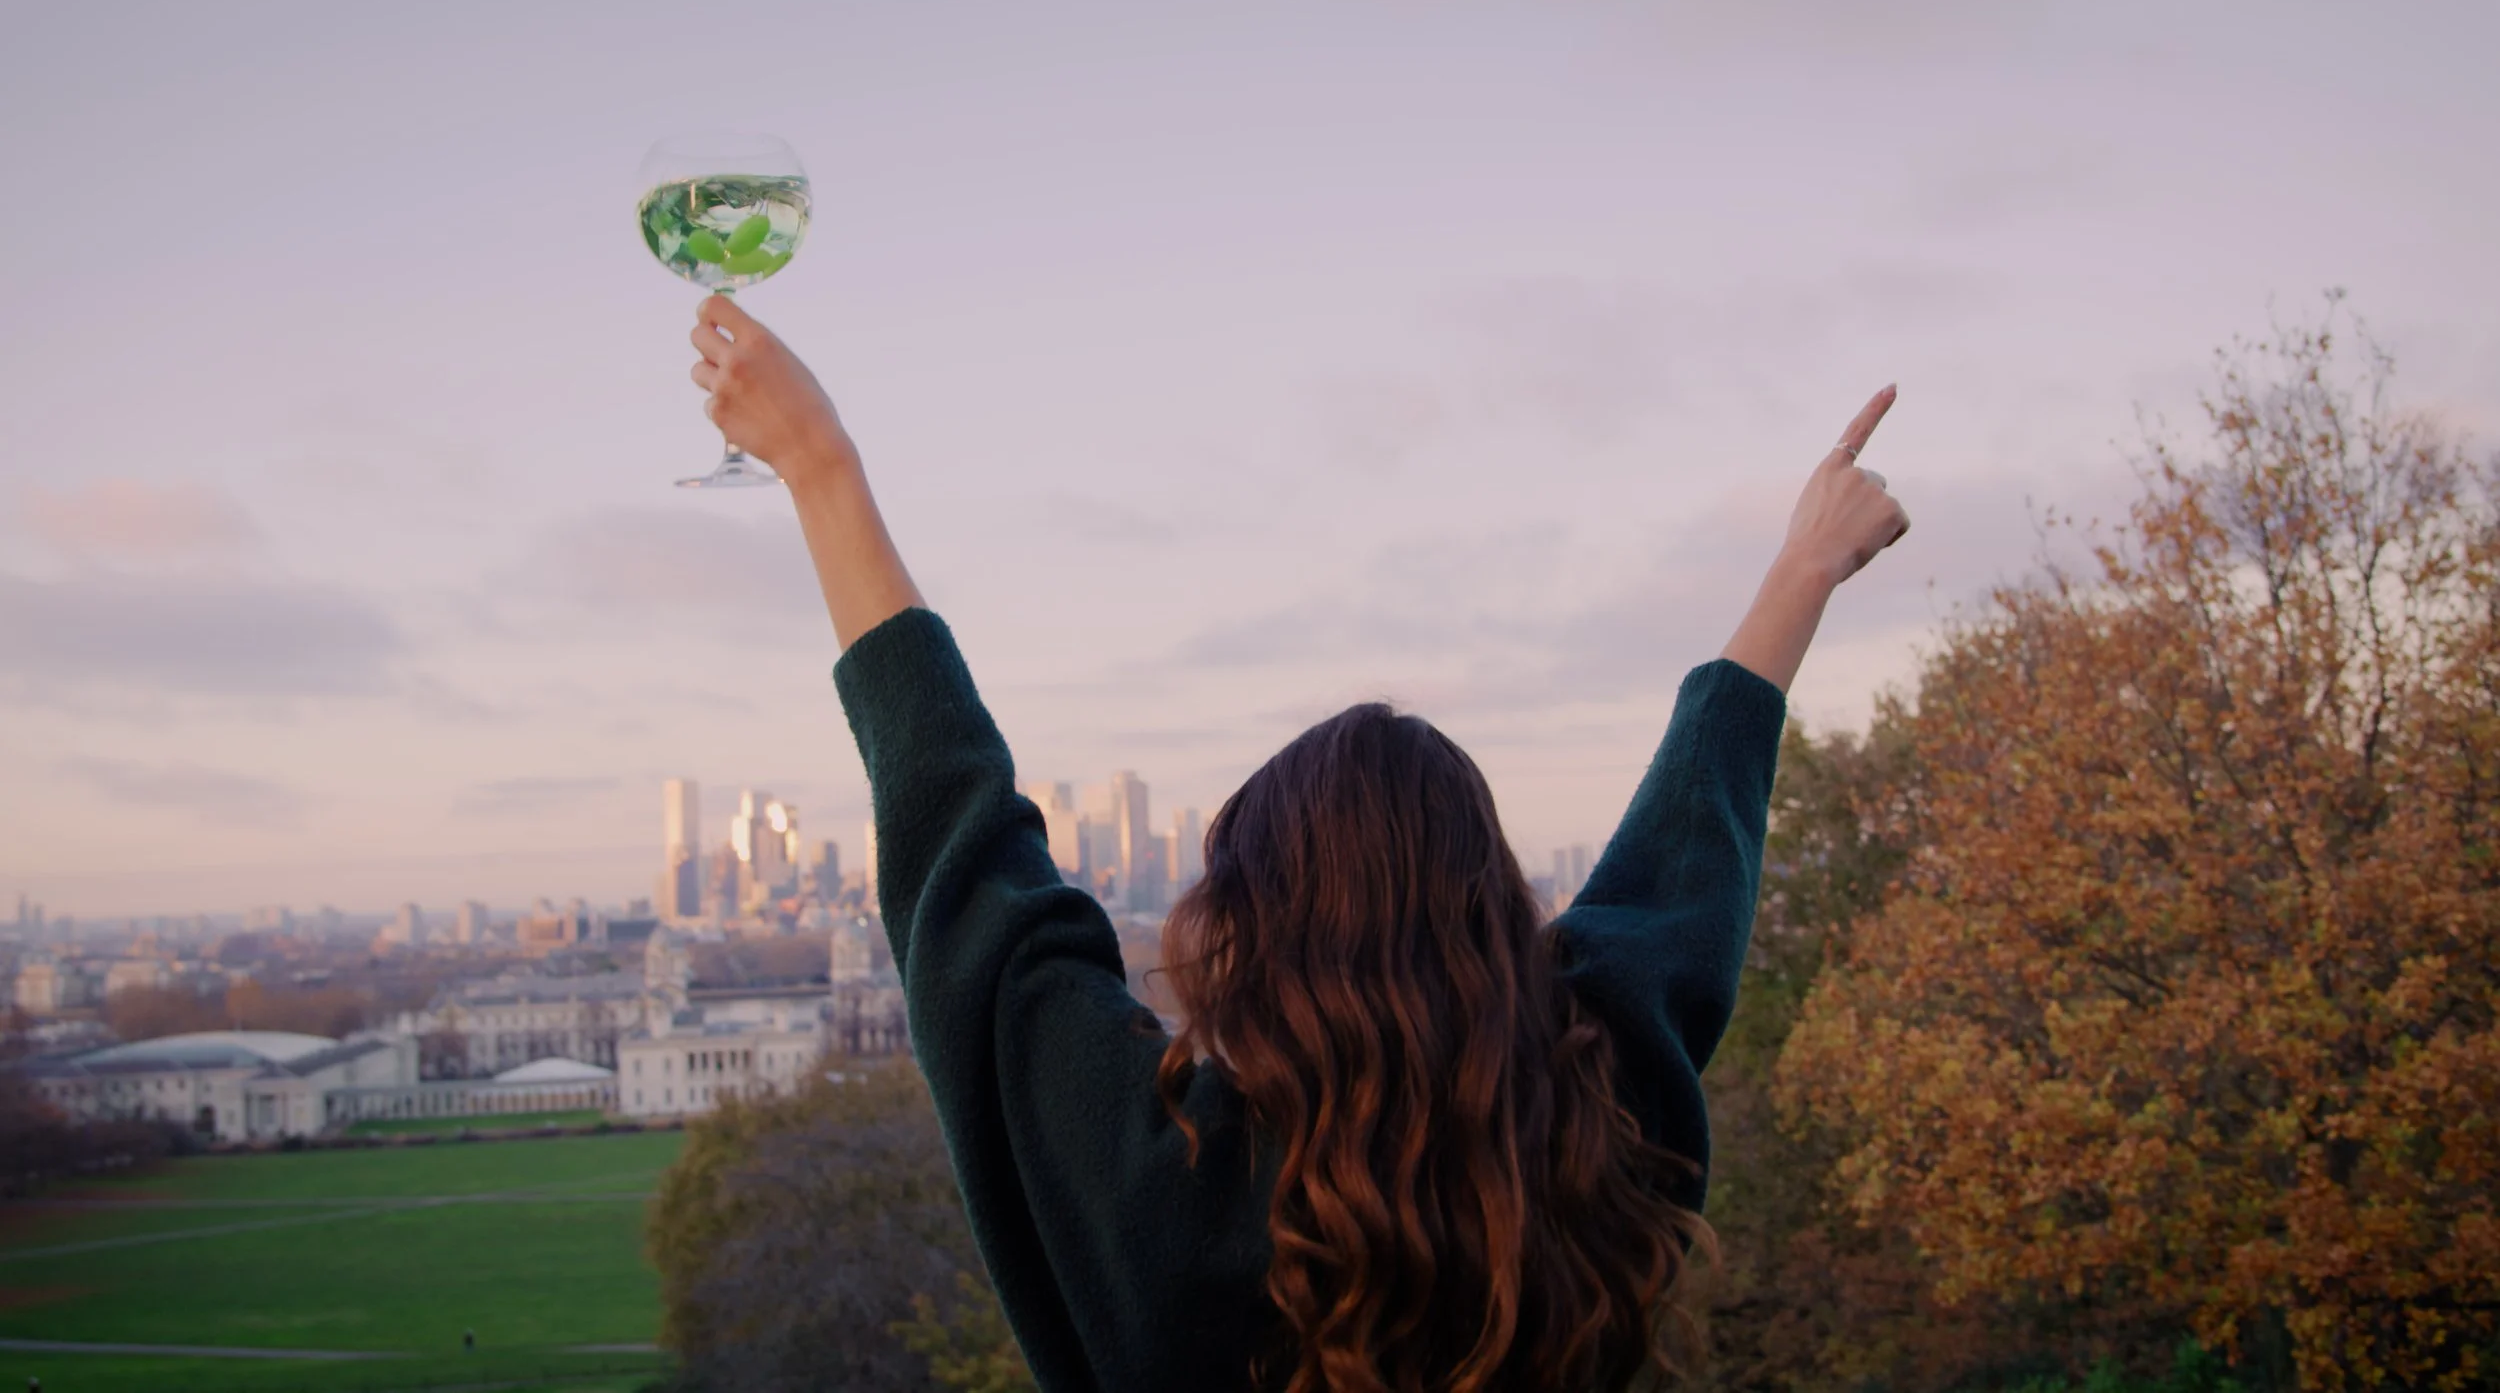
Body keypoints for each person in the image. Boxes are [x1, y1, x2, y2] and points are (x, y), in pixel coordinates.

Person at [686, 294, 1910, 1393]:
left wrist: (820, 468)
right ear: (1492, 910)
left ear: (1247, 929)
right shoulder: (1600, 1120)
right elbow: (1685, 856)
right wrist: (1803, 569)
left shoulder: (1160, 1182)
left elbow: (962, 841)